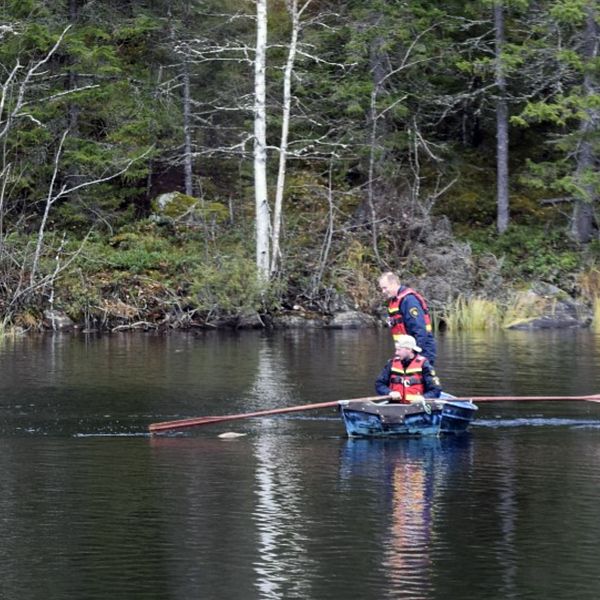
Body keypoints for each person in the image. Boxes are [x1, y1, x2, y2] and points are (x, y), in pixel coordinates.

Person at [378, 271, 436, 365]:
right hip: (407, 351)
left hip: (421, 350)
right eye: (382, 289)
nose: (383, 291)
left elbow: (420, 329)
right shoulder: (395, 301)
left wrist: (413, 353)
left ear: (393, 284)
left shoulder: (409, 301)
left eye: (385, 288)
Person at [375, 335, 442, 403]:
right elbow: (379, 384)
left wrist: (423, 398)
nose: (396, 353)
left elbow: (436, 390)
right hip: (395, 406)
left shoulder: (424, 365)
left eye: (399, 350)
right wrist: (389, 392)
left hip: (417, 407)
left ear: (409, 349)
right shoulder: (391, 364)